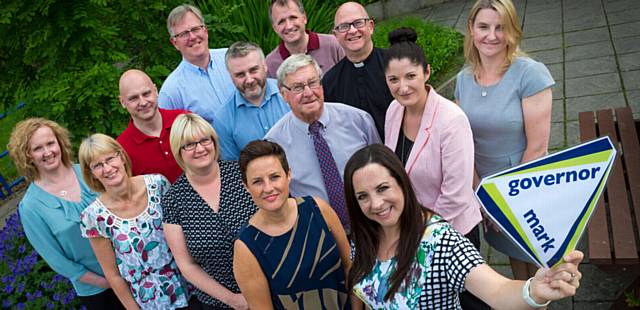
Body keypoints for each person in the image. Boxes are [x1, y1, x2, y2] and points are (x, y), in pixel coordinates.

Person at [343, 144, 583, 309]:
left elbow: (498, 291)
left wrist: (534, 291)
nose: (375, 204)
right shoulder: (363, 239)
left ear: (401, 183)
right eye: (362, 196)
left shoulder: (440, 241)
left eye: (383, 188)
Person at [455, 0, 555, 280]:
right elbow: (463, 144)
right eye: (483, 26)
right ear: (471, 30)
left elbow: (537, 147)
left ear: (512, 31)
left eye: (501, 28)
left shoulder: (530, 73)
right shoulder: (464, 79)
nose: (492, 36)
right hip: (486, 187)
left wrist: (508, 200)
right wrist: (482, 196)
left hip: (525, 186)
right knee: (515, 261)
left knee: (538, 267)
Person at [8, 118, 123, 309]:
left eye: (50, 143)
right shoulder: (31, 207)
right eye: (37, 148)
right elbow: (57, 260)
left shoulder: (90, 172)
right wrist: (109, 282)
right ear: (27, 155)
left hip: (136, 268)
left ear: (59, 142)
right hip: (101, 291)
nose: (47, 152)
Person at [265, 54, 380, 232]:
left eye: (313, 83)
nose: (308, 93)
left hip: (371, 222)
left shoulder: (358, 120)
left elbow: (382, 169)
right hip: (321, 235)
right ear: (283, 94)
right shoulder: (274, 143)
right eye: (298, 87)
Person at [233, 140, 351, 309]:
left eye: (274, 177)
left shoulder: (318, 209)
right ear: (246, 187)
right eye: (257, 181)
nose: (268, 188)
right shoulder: (247, 246)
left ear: (288, 175)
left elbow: (349, 268)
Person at [78, 134, 189, 309]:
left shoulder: (158, 184)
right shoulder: (93, 217)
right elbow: (113, 275)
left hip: (189, 284)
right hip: (150, 301)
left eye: (109, 159)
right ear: (91, 173)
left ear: (121, 156)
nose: (107, 169)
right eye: (98, 166)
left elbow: (185, 234)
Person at [162, 113, 257, 309]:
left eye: (205, 140)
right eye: (189, 144)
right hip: (220, 302)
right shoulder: (174, 199)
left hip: (268, 287)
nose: (200, 149)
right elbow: (186, 265)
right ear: (178, 151)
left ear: (214, 142)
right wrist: (232, 299)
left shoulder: (242, 174)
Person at [322, 1, 394, 139]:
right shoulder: (330, 82)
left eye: (358, 23)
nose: (353, 30)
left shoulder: (394, 65)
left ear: (371, 26)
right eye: (343, 26)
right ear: (335, 35)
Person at [213, 41, 290, 160]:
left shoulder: (290, 93)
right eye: (240, 75)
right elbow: (233, 168)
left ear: (265, 66)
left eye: (253, 70)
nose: (249, 80)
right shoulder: (223, 120)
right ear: (231, 77)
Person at [159, 4, 234, 124]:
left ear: (205, 31)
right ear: (175, 43)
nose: (192, 37)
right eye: (184, 34)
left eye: (195, 29)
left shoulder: (232, 58)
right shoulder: (171, 92)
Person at [117, 69, 187, 183]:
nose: (143, 102)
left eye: (146, 94)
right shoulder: (121, 149)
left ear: (155, 90)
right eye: (133, 98)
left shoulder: (185, 121)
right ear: (122, 102)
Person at [266, 0, 344, 78]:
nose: (289, 26)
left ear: (304, 18)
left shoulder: (334, 45)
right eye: (281, 21)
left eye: (293, 17)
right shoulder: (271, 64)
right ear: (275, 28)